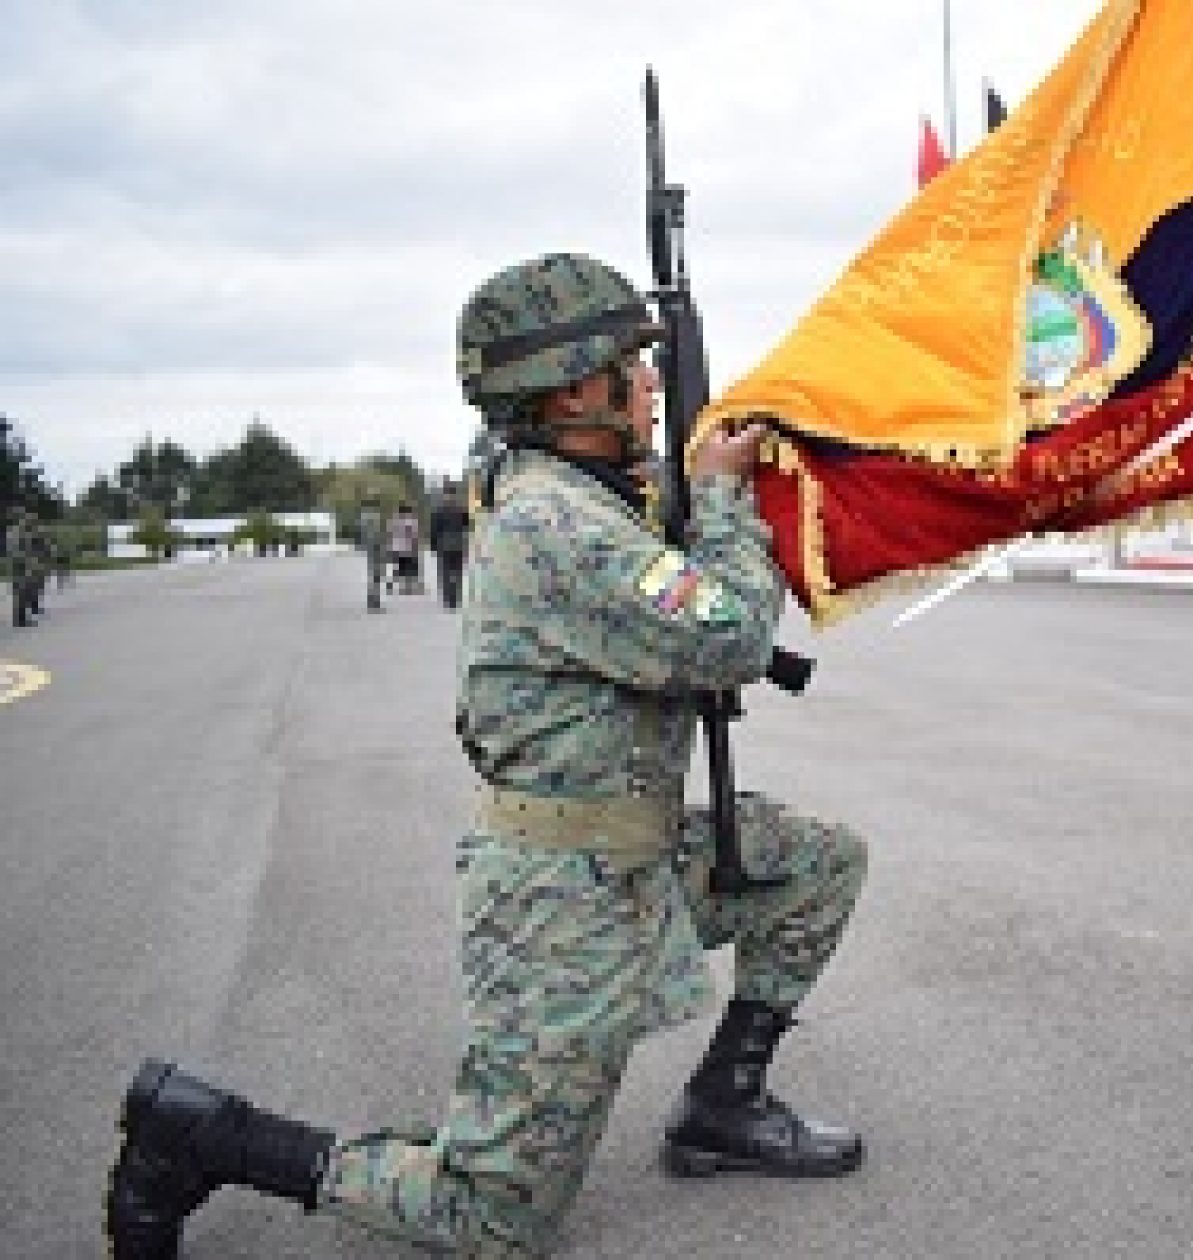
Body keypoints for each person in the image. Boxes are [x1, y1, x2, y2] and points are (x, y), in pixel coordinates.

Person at [105, 252, 869, 1258]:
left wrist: (677, 481)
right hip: (562, 908)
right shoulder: (555, 521)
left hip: (633, 866)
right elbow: (722, 633)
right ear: (570, 391)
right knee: (493, 1219)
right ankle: (201, 1135)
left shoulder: (575, 488)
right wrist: (720, 502)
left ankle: (723, 1105)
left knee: (815, 863)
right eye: (631, 366)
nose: (650, 386)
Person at [428, 482, 472, 610]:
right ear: (456, 493)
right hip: (459, 542)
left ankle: (448, 598)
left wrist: (433, 545)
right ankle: (456, 597)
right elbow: (467, 526)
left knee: (445, 571)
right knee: (457, 571)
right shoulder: (462, 509)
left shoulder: (439, 510)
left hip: (444, 543)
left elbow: (434, 529)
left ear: (444, 494)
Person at [357, 496, 388, 613]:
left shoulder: (363, 516)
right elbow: (376, 534)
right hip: (375, 548)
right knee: (376, 575)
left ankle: (373, 600)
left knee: (374, 575)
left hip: (370, 548)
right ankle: (374, 601)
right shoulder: (373, 517)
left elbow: (363, 535)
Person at [388, 502, 424, 595]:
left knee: (400, 567)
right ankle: (409, 587)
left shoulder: (395, 520)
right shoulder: (411, 521)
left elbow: (391, 533)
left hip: (397, 547)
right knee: (411, 568)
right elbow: (414, 535)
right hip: (409, 548)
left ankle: (392, 584)